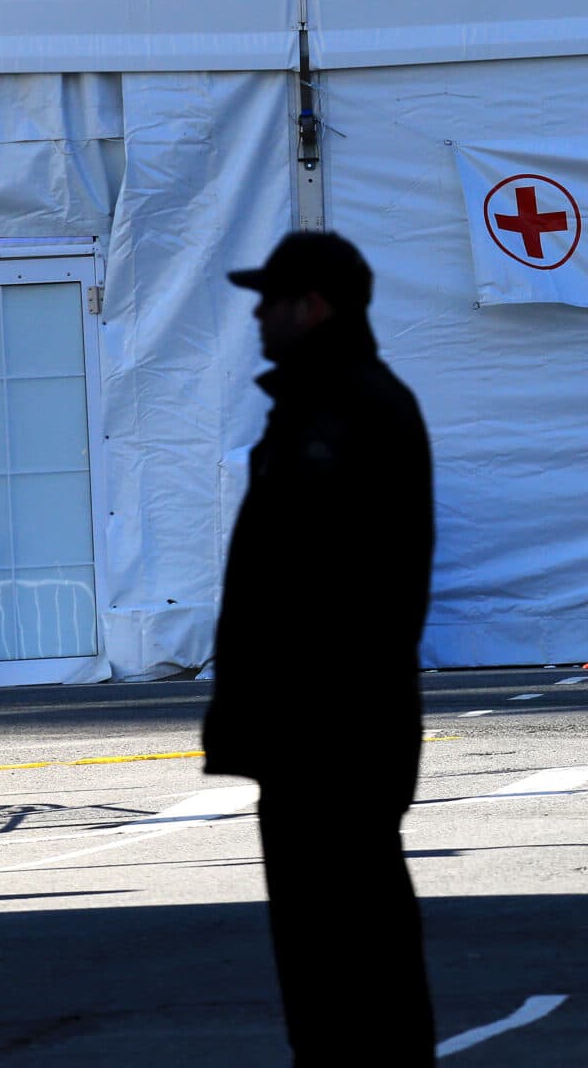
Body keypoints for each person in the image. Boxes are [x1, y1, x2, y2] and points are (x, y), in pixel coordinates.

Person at [204, 231, 438, 1062]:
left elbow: (331, 588)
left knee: (346, 955)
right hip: (317, 733)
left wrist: (288, 712)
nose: (258, 315)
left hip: (330, 734)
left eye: (270, 299)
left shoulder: (347, 410)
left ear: (313, 305)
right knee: (335, 955)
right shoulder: (323, 404)